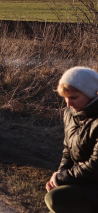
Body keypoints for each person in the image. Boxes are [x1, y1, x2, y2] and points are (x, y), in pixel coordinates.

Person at [45, 66, 98, 213]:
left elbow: (95, 166)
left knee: (55, 199)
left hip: (94, 184)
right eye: (65, 98)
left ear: (91, 94)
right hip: (81, 181)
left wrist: (61, 178)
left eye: (73, 98)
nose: (68, 104)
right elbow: (68, 150)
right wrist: (59, 176)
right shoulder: (70, 113)